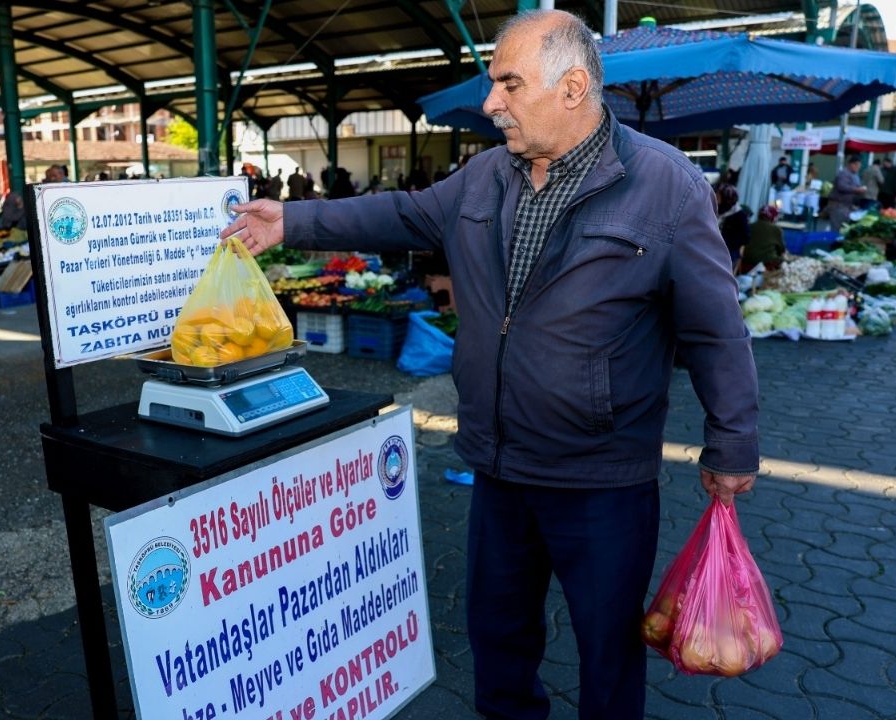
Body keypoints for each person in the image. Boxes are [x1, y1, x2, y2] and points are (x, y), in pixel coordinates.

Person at [222, 11, 758, 719]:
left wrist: (732, 443)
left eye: (507, 84)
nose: (489, 103)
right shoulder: (484, 178)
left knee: (607, 655)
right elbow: (402, 214)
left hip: (601, 479)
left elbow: (716, 328)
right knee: (499, 641)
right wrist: (292, 223)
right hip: (499, 469)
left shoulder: (664, 184)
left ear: (571, 88)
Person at [739, 205, 787, 273]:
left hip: (747, 261)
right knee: (783, 260)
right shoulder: (776, 229)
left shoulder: (749, 226)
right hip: (766, 263)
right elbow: (782, 250)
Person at [826, 155, 866, 232]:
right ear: (851, 164)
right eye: (857, 165)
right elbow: (842, 186)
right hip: (838, 206)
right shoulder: (844, 173)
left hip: (847, 206)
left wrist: (860, 190)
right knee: (837, 229)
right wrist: (857, 190)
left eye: (859, 166)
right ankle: (833, 243)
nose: (858, 168)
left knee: (843, 229)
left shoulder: (855, 175)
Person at [715, 182, 749, 273]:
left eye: (718, 196)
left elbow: (745, 238)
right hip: (712, 250)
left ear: (726, 199)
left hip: (727, 254)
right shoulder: (716, 209)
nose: (715, 198)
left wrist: (724, 242)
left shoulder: (739, 215)